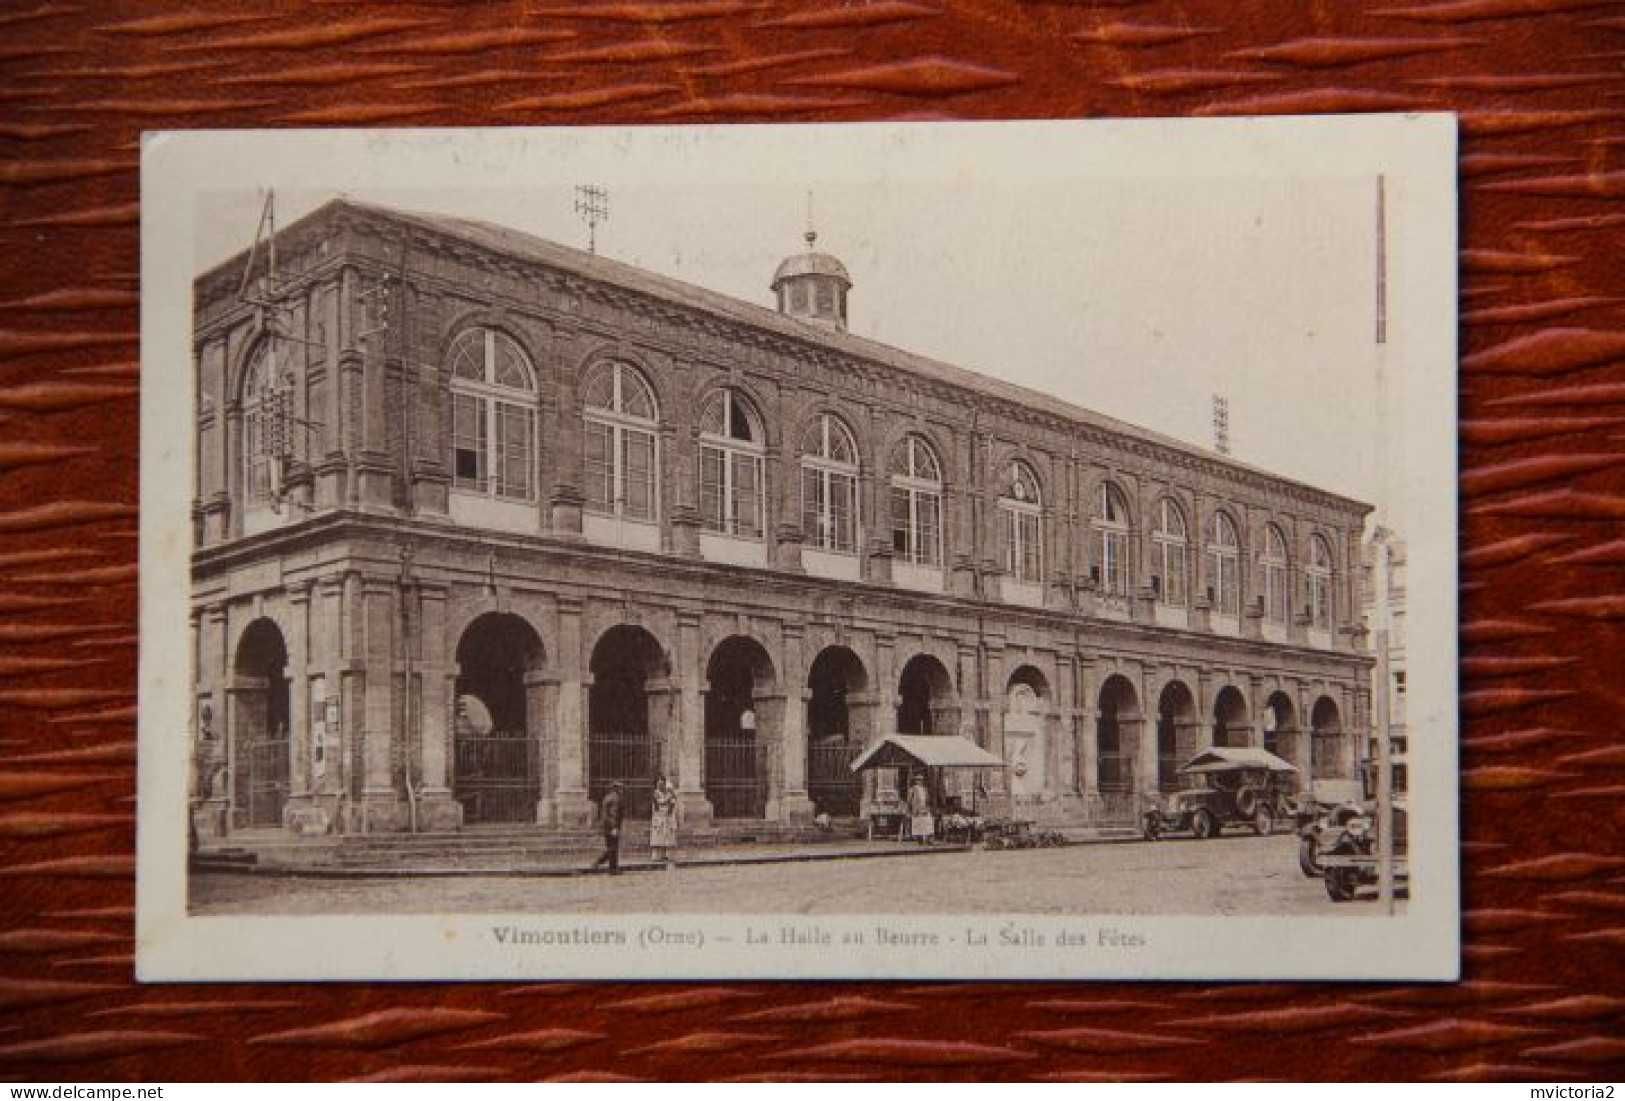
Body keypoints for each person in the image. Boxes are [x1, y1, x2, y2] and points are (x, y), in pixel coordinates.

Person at [591, 781, 625, 874]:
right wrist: (614, 827)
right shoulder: (616, 799)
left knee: (611, 847)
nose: (622, 790)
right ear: (617, 789)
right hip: (611, 826)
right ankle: (601, 863)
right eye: (621, 788)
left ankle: (613, 868)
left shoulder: (607, 797)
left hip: (606, 826)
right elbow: (614, 814)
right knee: (613, 848)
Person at [649, 775, 679, 865]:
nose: (660, 783)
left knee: (668, 835)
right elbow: (658, 804)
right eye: (659, 781)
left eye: (662, 781)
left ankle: (668, 855)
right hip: (659, 817)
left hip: (667, 817)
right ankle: (657, 856)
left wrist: (670, 800)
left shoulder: (669, 793)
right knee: (658, 835)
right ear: (656, 783)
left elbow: (672, 803)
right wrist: (667, 800)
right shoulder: (655, 793)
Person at [907, 772, 934, 844]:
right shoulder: (912, 789)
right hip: (917, 809)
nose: (920, 781)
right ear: (915, 781)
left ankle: (928, 839)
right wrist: (910, 809)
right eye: (918, 780)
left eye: (921, 780)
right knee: (918, 824)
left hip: (925, 808)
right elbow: (909, 800)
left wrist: (927, 806)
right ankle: (920, 839)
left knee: (928, 822)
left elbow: (927, 799)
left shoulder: (925, 789)